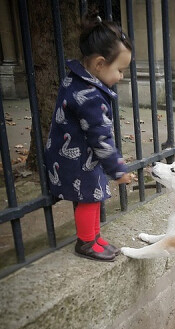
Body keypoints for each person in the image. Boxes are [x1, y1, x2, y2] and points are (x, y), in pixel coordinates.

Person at [44, 11, 132, 262]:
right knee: (89, 199)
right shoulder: (91, 97)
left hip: (75, 152)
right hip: (77, 158)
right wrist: (118, 170)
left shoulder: (76, 79)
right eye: (120, 70)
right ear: (100, 64)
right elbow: (101, 138)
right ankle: (85, 242)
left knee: (93, 196)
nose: (121, 76)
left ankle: (94, 236)